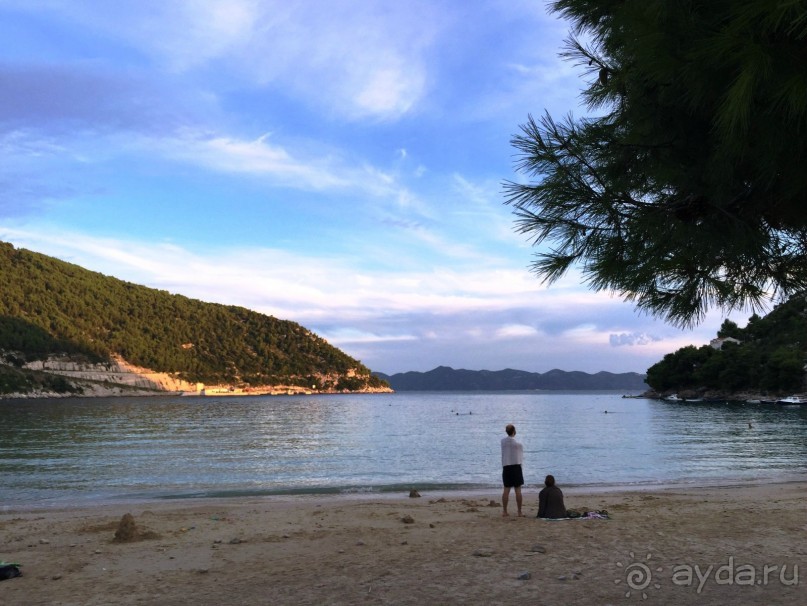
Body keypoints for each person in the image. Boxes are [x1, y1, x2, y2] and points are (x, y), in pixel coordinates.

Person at [500, 423, 524, 517]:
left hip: (506, 467)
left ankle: (505, 511)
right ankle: (519, 512)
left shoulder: (502, 442)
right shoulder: (519, 444)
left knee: (506, 490)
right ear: (514, 431)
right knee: (518, 490)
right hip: (516, 466)